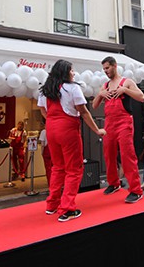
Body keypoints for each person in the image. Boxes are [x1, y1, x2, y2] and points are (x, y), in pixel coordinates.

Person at [38, 59, 106, 222]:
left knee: (58, 167)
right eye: (72, 70)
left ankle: (52, 204)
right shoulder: (73, 88)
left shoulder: (45, 90)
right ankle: (67, 208)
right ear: (65, 72)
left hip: (51, 129)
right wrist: (97, 130)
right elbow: (83, 112)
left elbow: (42, 109)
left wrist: (52, 121)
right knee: (74, 169)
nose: (74, 73)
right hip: (67, 129)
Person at [93, 56, 144, 203]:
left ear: (115, 66)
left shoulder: (127, 82)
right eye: (104, 69)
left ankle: (136, 190)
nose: (105, 71)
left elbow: (141, 97)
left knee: (127, 155)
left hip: (124, 122)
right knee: (108, 154)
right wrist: (100, 94)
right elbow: (94, 106)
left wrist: (124, 90)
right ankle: (114, 183)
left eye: (107, 68)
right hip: (109, 123)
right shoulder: (105, 85)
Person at [38, 120, 52, 185]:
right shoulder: (53, 130)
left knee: (48, 169)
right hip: (54, 151)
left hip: (47, 151)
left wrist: (42, 152)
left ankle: (50, 183)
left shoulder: (44, 132)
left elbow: (42, 144)